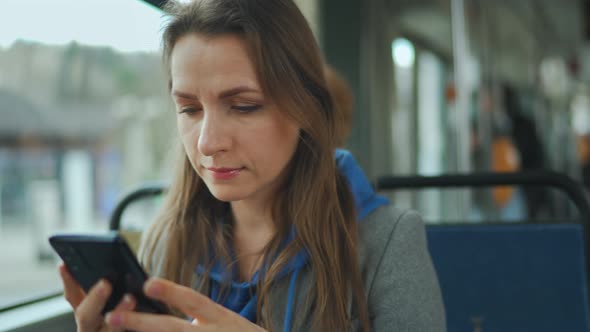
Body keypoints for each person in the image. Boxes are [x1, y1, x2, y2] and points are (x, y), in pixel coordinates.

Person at [58, 0, 445, 331]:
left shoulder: (386, 244)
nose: (208, 143)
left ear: (304, 108)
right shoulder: (166, 240)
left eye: (244, 106)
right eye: (189, 109)